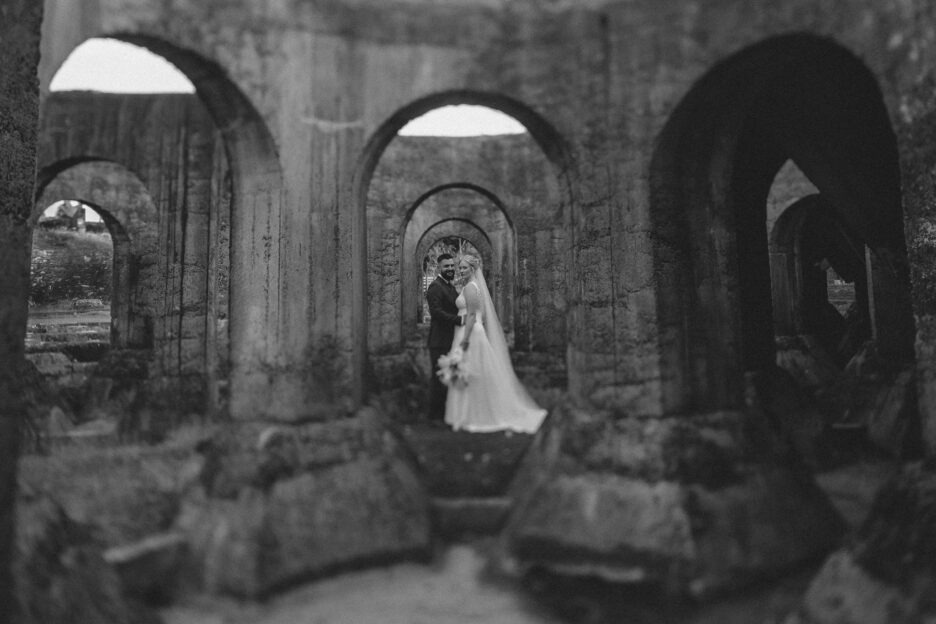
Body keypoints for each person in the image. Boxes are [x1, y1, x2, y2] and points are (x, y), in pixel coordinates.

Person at [443, 254, 547, 432]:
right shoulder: (470, 286)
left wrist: (465, 339)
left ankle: (473, 414)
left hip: (470, 333)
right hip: (468, 331)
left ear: (473, 269)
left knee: (471, 372)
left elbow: (472, 315)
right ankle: (468, 413)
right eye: (460, 267)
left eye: (464, 267)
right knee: (468, 372)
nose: (461, 270)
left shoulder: (470, 287)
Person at [425, 254, 462, 422]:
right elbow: (436, 313)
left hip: (450, 339)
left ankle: (445, 415)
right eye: (446, 266)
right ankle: (434, 417)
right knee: (438, 378)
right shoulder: (435, 287)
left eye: (452, 266)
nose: (450, 269)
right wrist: (459, 320)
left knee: (447, 378)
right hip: (439, 340)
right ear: (439, 267)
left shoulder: (450, 287)